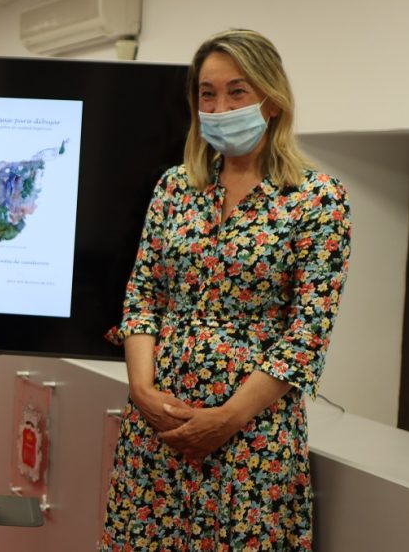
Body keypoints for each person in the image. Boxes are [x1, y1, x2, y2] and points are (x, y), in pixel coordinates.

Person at [101, 29, 350, 551]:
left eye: (237, 92)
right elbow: (144, 295)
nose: (219, 107)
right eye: (207, 94)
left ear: (272, 100)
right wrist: (143, 391)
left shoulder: (317, 200)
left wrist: (225, 418)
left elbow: (307, 335)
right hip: (158, 434)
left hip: (251, 441)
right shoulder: (175, 187)